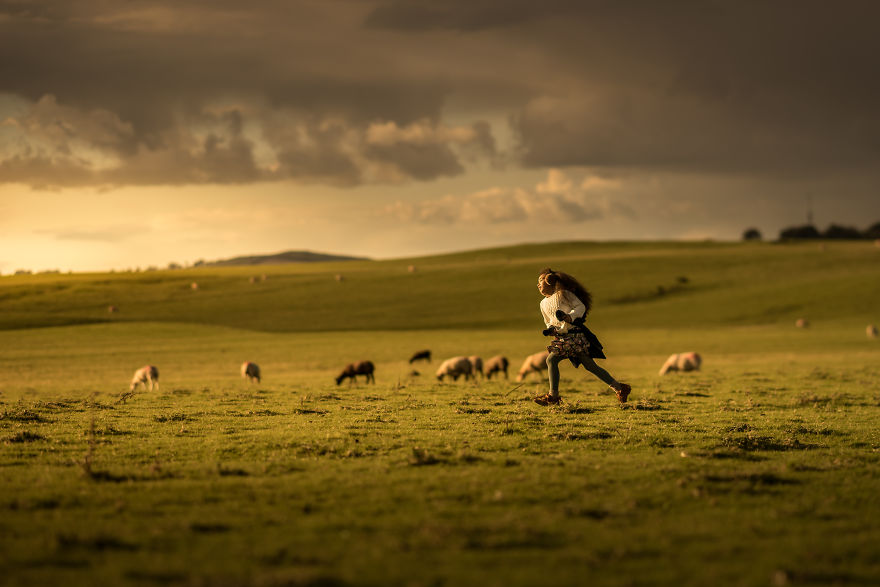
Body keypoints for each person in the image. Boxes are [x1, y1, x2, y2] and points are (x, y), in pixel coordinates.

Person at [534, 268, 631, 406]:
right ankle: (620, 388)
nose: (538, 285)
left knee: (551, 360)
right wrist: (551, 329)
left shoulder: (564, 294)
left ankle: (553, 397)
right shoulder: (542, 303)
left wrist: (570, 317)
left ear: (549, 280)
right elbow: (548, 321)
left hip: (575, 336)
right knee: (590, 366)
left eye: (540, 281)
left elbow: (580, 307)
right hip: (562, 338)